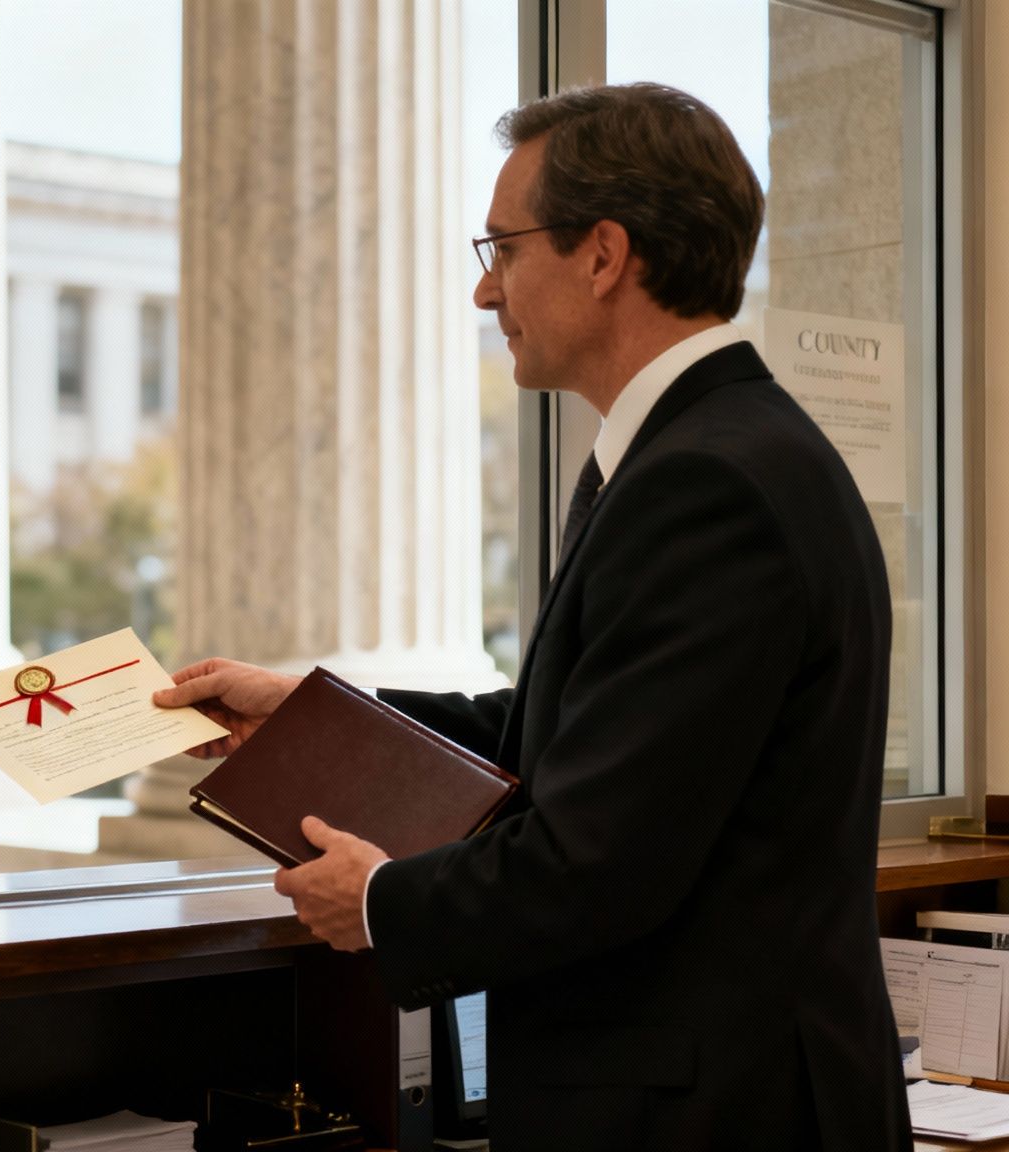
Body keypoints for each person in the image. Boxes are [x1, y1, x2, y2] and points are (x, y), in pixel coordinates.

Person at [156, 83, 906, 1149]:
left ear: (601, 255)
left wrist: (380, 905)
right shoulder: (714, 450)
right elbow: (572, 732)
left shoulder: (707, 483)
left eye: (501, 248)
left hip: (705, 1113)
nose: (480, 289)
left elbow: (598, 859)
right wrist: (307, 715)